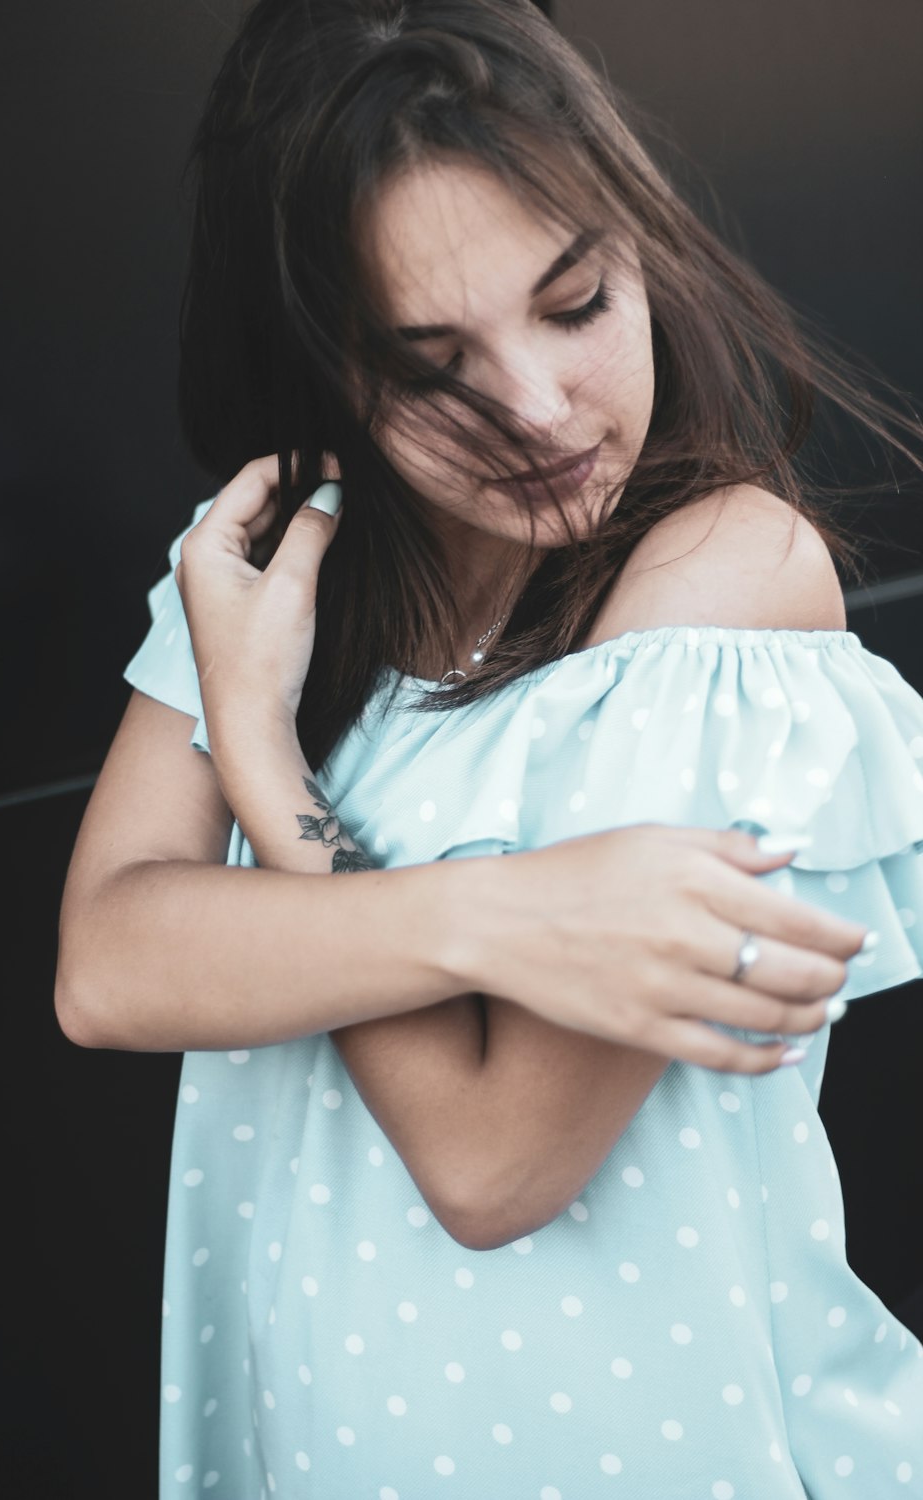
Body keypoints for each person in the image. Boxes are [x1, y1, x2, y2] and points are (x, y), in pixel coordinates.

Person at [55, 1, 923, 1494]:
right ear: (330, 366)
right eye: (430, 361)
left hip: (663, 1448)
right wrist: (506, 914)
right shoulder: (268, 579)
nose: (534, 410)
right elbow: (107, 966)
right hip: (328, 1424)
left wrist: (265, 761)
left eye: (576, 302)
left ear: (643, 248)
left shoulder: (724, 568)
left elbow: (494, 1158)